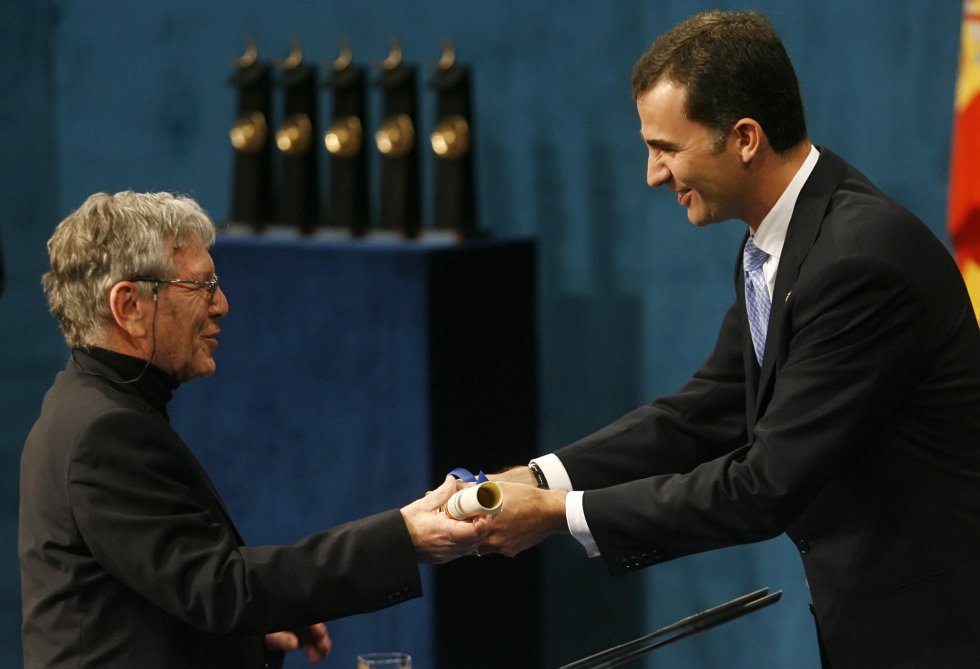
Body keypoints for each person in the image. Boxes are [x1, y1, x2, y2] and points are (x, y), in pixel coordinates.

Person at [481, 10, 980, 668]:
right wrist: (536, 476)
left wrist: (556, 513)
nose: (654, 174)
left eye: (666, 148)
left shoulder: (859, 261)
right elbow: (701, 414)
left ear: (744, 138)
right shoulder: (776, 245)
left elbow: (764, 486)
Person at [19, 191, 490, 669]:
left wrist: (249, 636)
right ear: (129, 305)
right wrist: (404, 538)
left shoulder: (89, 406)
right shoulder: (106, 432)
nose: (221, 304)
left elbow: (163, 592)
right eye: (201, 286)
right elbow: (218, 588)